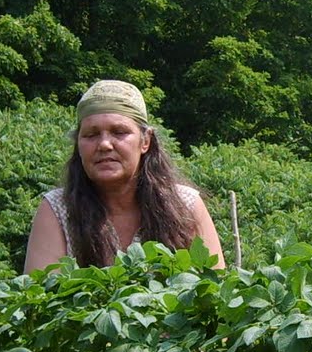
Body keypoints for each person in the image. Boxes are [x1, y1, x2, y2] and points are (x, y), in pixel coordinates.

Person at [23, 79, 227, 272]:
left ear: (145, 141)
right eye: (91, 135)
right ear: (78, 144)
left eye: (119, 132)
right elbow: (41, 299)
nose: (104, 144)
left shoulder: (186, 205)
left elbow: (212, 293)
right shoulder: (58, 209)